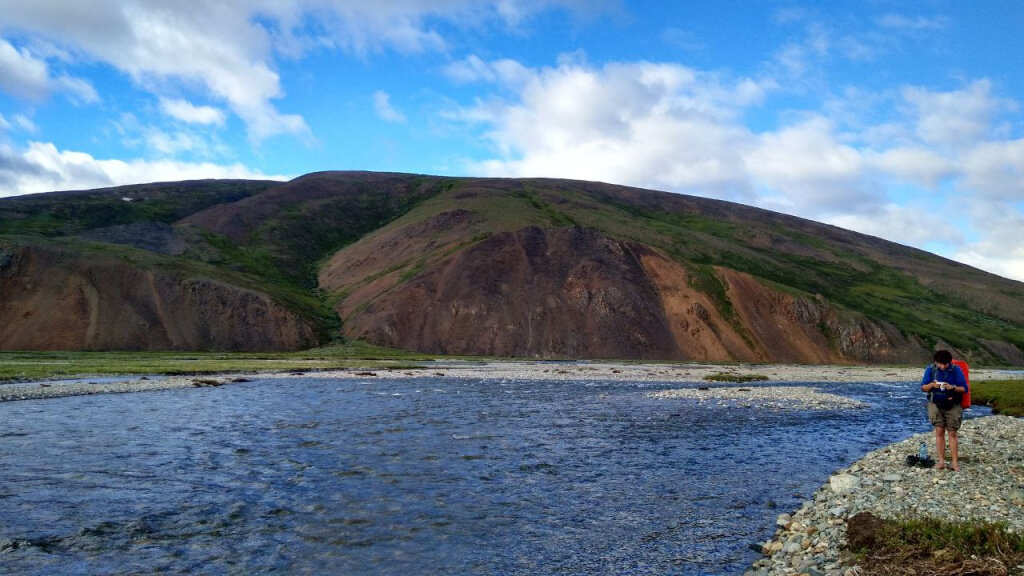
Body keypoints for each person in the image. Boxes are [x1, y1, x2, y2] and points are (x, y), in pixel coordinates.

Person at [920, 350, 968, 471]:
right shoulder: (930, 369)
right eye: (940, 364)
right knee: (939, 431)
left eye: (945, 364)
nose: (942, 366)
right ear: (935, 361)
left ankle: (955, 463)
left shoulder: (956, 370)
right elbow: (923, 387)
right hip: (935, 404)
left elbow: (964, 388)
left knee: (952, 433)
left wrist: (953, 387)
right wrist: (932, 385)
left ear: (949, 362)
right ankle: (941, 461)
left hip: (953, 404)